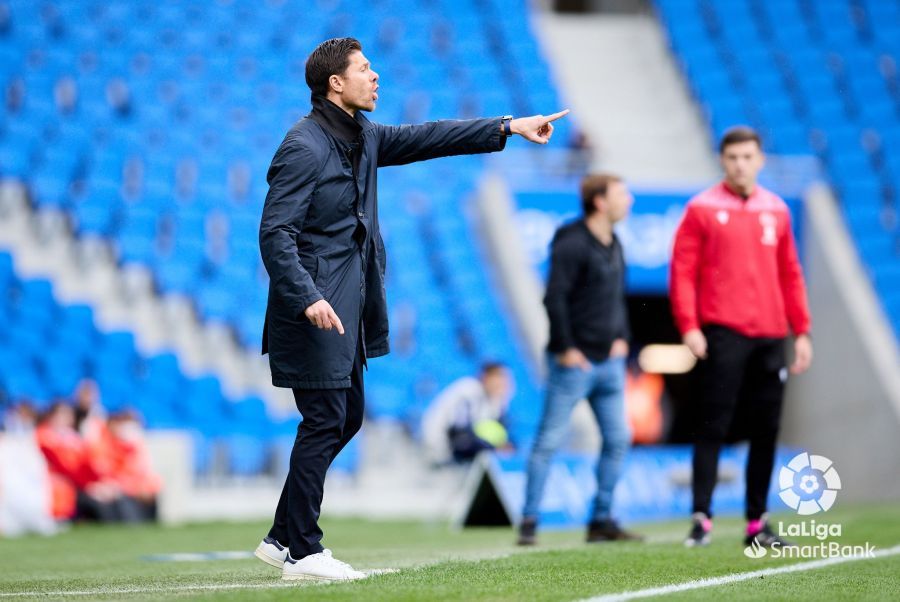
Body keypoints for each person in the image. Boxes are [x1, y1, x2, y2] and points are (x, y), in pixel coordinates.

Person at [255, 37, 568, 581]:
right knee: (327, 417)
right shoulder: (303, 146)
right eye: (364, 69)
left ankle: (284, 535)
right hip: (315, 308)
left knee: (345, 417)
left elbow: (430, 137)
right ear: (335, 83)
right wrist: (307, 297)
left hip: (347, 307)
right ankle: (303, 550)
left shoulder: (364, 137)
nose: (375, 76)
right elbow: (274, 233)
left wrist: (507, 126)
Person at [670, 126, 812, 548]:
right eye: (733, 157)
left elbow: (791, 274)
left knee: (765, 428)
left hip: (771, 336)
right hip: (723, 333)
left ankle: (757, 523)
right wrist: (689, 326)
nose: (740, 165)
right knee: (713, 423)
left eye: (748, 157)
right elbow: (682, 274)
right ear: (722, 160)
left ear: (760, 160)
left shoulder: (778, 210)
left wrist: (801, 331)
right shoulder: (701, 208)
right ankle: (702, 518)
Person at [518, 174, 643, 546]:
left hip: (609, 362)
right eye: (622, 194)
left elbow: (616, 298)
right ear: (600, 202)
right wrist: (566, 348)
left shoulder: (615, 241)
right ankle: (529, 522)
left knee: (619, 438)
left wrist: (622, 337)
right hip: (574, 363)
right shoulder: (571, 242)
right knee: (549, 441)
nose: (629, 200)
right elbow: (553, 297)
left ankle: (601, 520)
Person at [421, 362, 514, 465]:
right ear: (486, 377)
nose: (503, 385)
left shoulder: (496, 401)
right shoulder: (469, 390)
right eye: (499, 378)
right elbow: (460, 433)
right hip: (436, 449)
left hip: (457, 451)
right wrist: (492, 446)